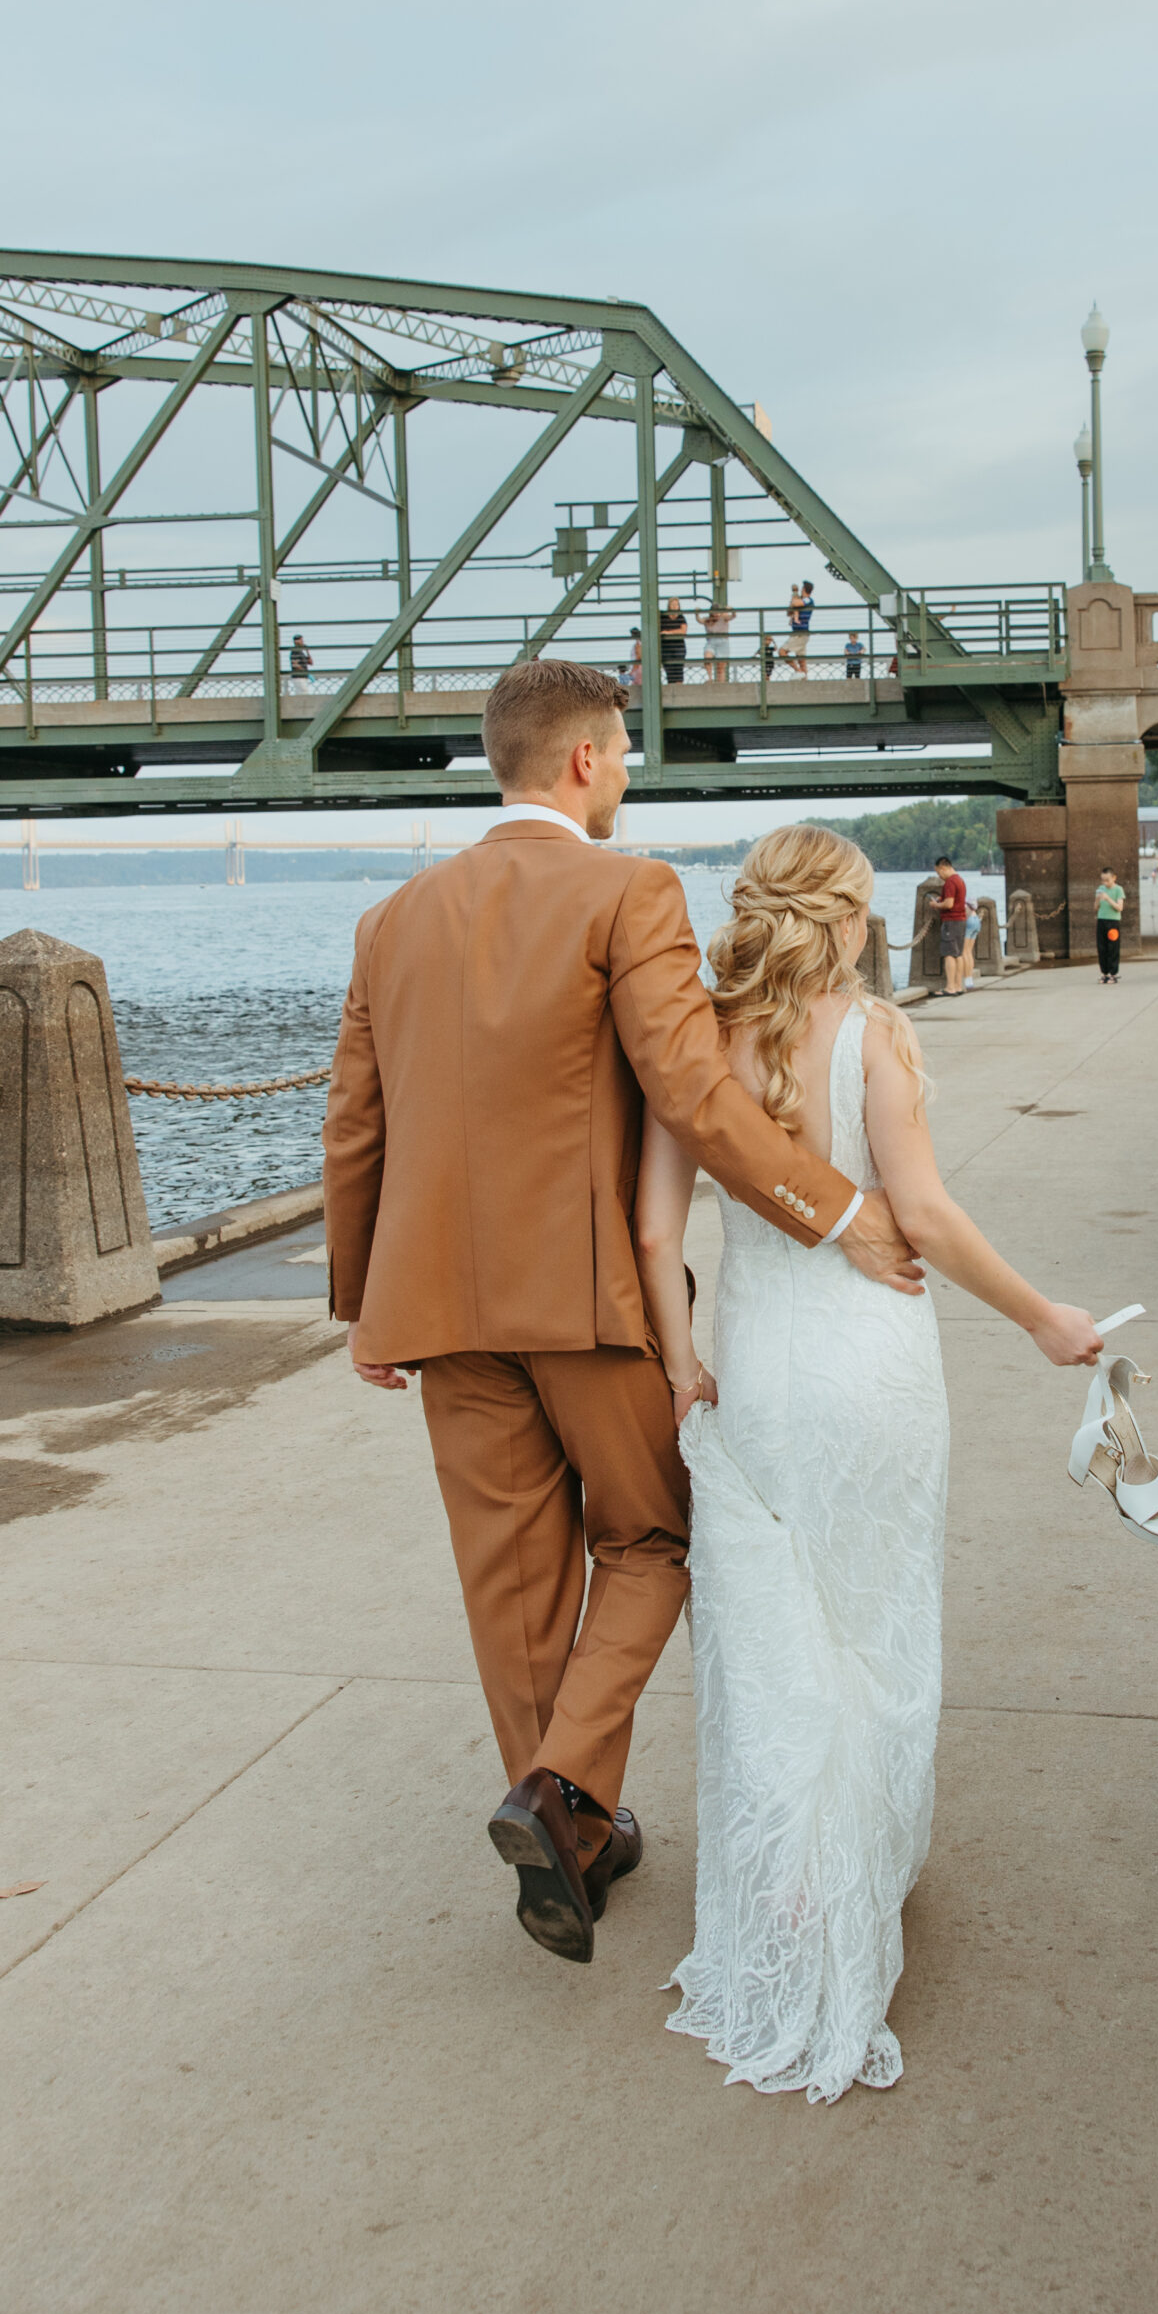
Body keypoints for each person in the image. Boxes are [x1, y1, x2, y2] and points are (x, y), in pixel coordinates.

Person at [324, 658, 925, 1970]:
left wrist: (359, 1301)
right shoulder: (628, 890)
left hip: (437, 1308)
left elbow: (356, 1124)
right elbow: (697, 1096)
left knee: (513, 1585)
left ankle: (574, 1836)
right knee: (653, 1539)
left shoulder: (391, 919)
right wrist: (835, 1208)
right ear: (588, 761)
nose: (628, 779)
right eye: (625, 757)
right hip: (586, 1301)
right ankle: (557, 1798)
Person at [632, 825, 1102, 2101]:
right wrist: (1044, 1316)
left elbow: (654, 1221)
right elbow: (928, 1215)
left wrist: (683, 1362)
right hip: (876, 1370)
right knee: (878, 1626)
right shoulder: (876, 1036)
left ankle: (787, 1898)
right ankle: (860, 1878)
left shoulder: (702, 1045)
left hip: (762, 1373)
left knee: (780, 1633)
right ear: (844, 919)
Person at [931, 852, 967, 996]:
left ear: (943, 867)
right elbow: (955, 899)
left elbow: (949, 904)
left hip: (951, 921)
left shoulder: (950, 882)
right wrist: (944, 897)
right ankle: (958, 986)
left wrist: (936, 905)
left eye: (938, 872)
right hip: (961, 920)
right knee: (959, 954)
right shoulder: (960, 880)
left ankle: (950, 987)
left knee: (949, 954)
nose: (939, 876)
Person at [1095, 865, 1126, 983]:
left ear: (1114, 878)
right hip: (1101, 920)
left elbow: (1119, 907)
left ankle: (1113, 973)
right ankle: (1104, 973)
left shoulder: (1118, 890)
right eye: (1103, 880)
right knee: (1102, 947)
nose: (1105, 883)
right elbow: (1095, 907)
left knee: (1113, 948)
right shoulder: (1100, 889)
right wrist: (1097, 899)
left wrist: (1108, 899)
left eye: (1107, 880)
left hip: (1113, 922)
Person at [701, 601, 736, 678]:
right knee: (707, 658)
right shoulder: (708, 619)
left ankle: (721, 685)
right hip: (711, 641)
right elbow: (700, 620)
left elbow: (733, 616)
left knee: (720, 667)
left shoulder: (724, 617)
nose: (716, 614)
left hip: (723, 641)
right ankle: (710, 678)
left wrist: (731, 610)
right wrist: (696, 614)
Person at [659, 597, 688, 682]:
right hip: (666, 647)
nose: (675, 606)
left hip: (679, 646)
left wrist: (668, 632)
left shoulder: (681, 617)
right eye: (673, 604)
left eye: (676, 604)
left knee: (678, 668)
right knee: (669, 669)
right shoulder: (662, 617)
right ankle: (671, 686)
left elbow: (683, 631)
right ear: (669, 606)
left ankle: (679, 688)